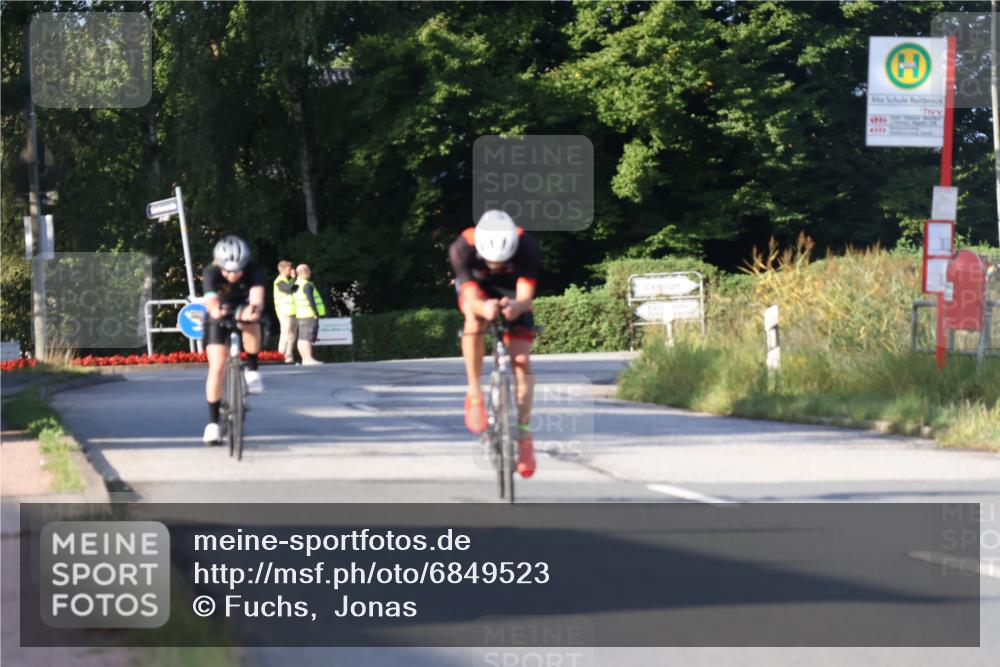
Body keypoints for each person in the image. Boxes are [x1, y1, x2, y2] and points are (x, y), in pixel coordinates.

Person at [449, 209, 540, 478]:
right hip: (478, 289)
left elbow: (525, 296)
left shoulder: (527, 246)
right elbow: (471, 296)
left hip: (512, 291)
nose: (497, 267)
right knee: (474, 321)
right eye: (492, 262)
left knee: (521, 361)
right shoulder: (462, 247)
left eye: (503, 262)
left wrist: (516, 306)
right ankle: (474, 391)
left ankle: (524, 433)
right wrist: (484, 308)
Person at [201, 235, 267, 445]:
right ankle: (212, 424)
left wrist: (252, 311)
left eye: (238, 270)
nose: (233, 275)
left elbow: (257, 299)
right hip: (220, 309)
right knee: (217, 366)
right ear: (219, 265)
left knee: (252, 321)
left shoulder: (254, 270)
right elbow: (211, 301)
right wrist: (216, 311)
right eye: (228, 270)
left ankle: (252, 369)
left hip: (243, 307)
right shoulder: (211, 272)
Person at [294, 263, 326, 366]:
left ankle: (305, 359)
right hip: (308, 314)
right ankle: (308, 359)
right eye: (308, 270)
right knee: (307, 337)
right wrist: (315, 312)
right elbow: (310, 300)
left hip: (300, 314)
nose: (310, 272)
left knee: (302, 338)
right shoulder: (306, 284)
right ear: (304, 272)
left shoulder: (296, 284)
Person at [273, 261, 298, 364]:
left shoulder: (286, 281)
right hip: (284, 312)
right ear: (282, 269)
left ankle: (288, 357)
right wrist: (293, 278)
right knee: (286, 334)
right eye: (289, 269)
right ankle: (280, 355)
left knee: (292, 336)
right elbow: (288, 289)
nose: (291, 270)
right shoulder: (279, 281)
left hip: (292, 312)